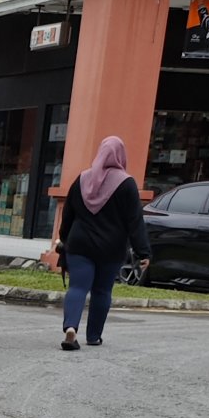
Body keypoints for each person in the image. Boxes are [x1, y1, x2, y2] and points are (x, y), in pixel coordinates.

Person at [54, 136, 150, 351]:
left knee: (78, 287)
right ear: (120, 155)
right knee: (102, 291)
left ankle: (70, 328)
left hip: (80, 245)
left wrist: (64, 240)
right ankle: (94, 336)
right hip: (111, 247)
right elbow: (135, 221)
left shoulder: (81, 179)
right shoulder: (126, 184)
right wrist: (144, 252)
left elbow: (68, 215)